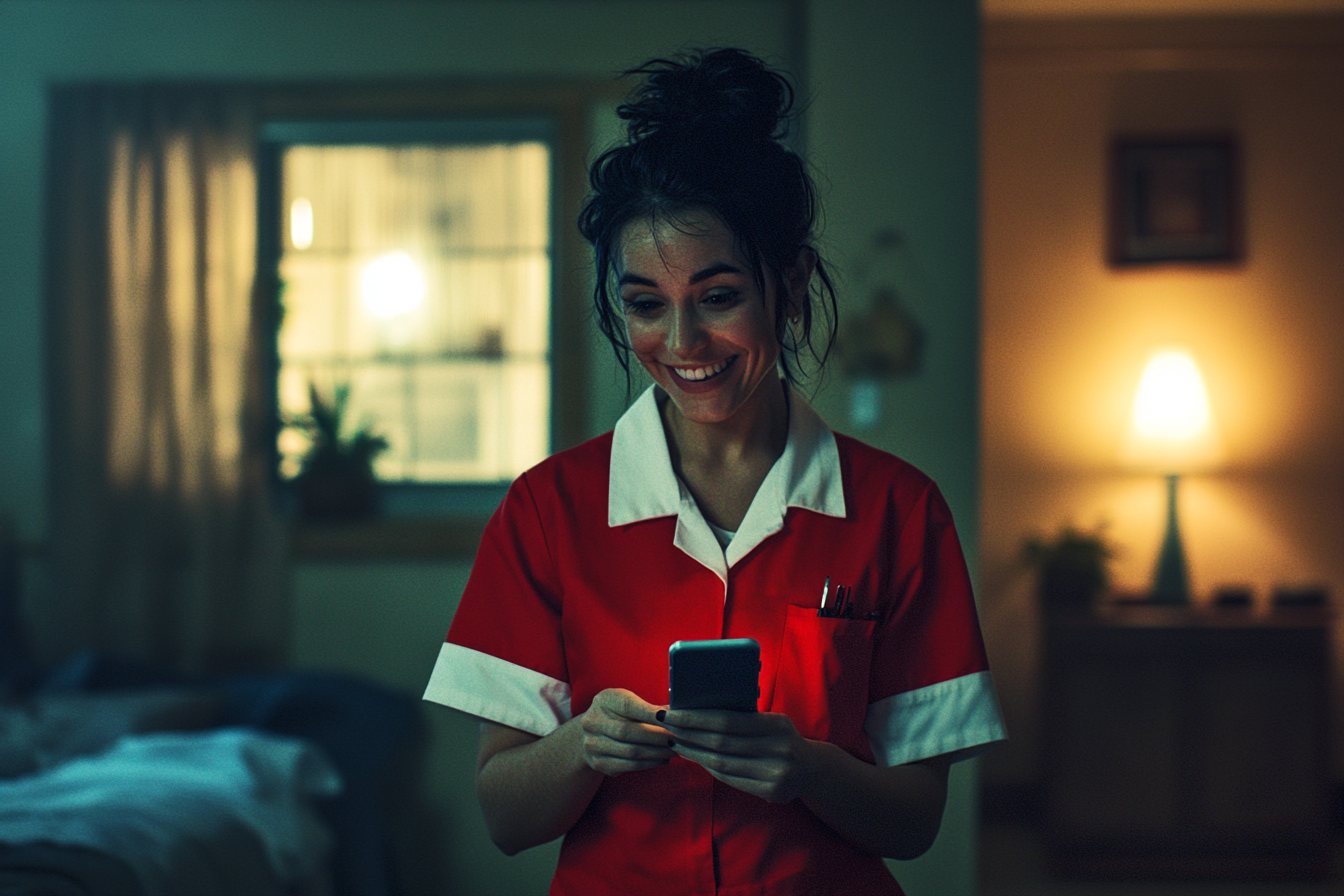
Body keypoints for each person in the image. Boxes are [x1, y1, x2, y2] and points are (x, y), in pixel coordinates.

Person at [423, 48, 1006, 896]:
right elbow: (506, 820)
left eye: (719, 295)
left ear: (792, 284)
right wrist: (580, 744)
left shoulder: (898, 510)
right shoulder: (547, 511)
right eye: (646, 304)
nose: (683, 343)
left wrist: (806, 768)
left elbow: (915, 823)